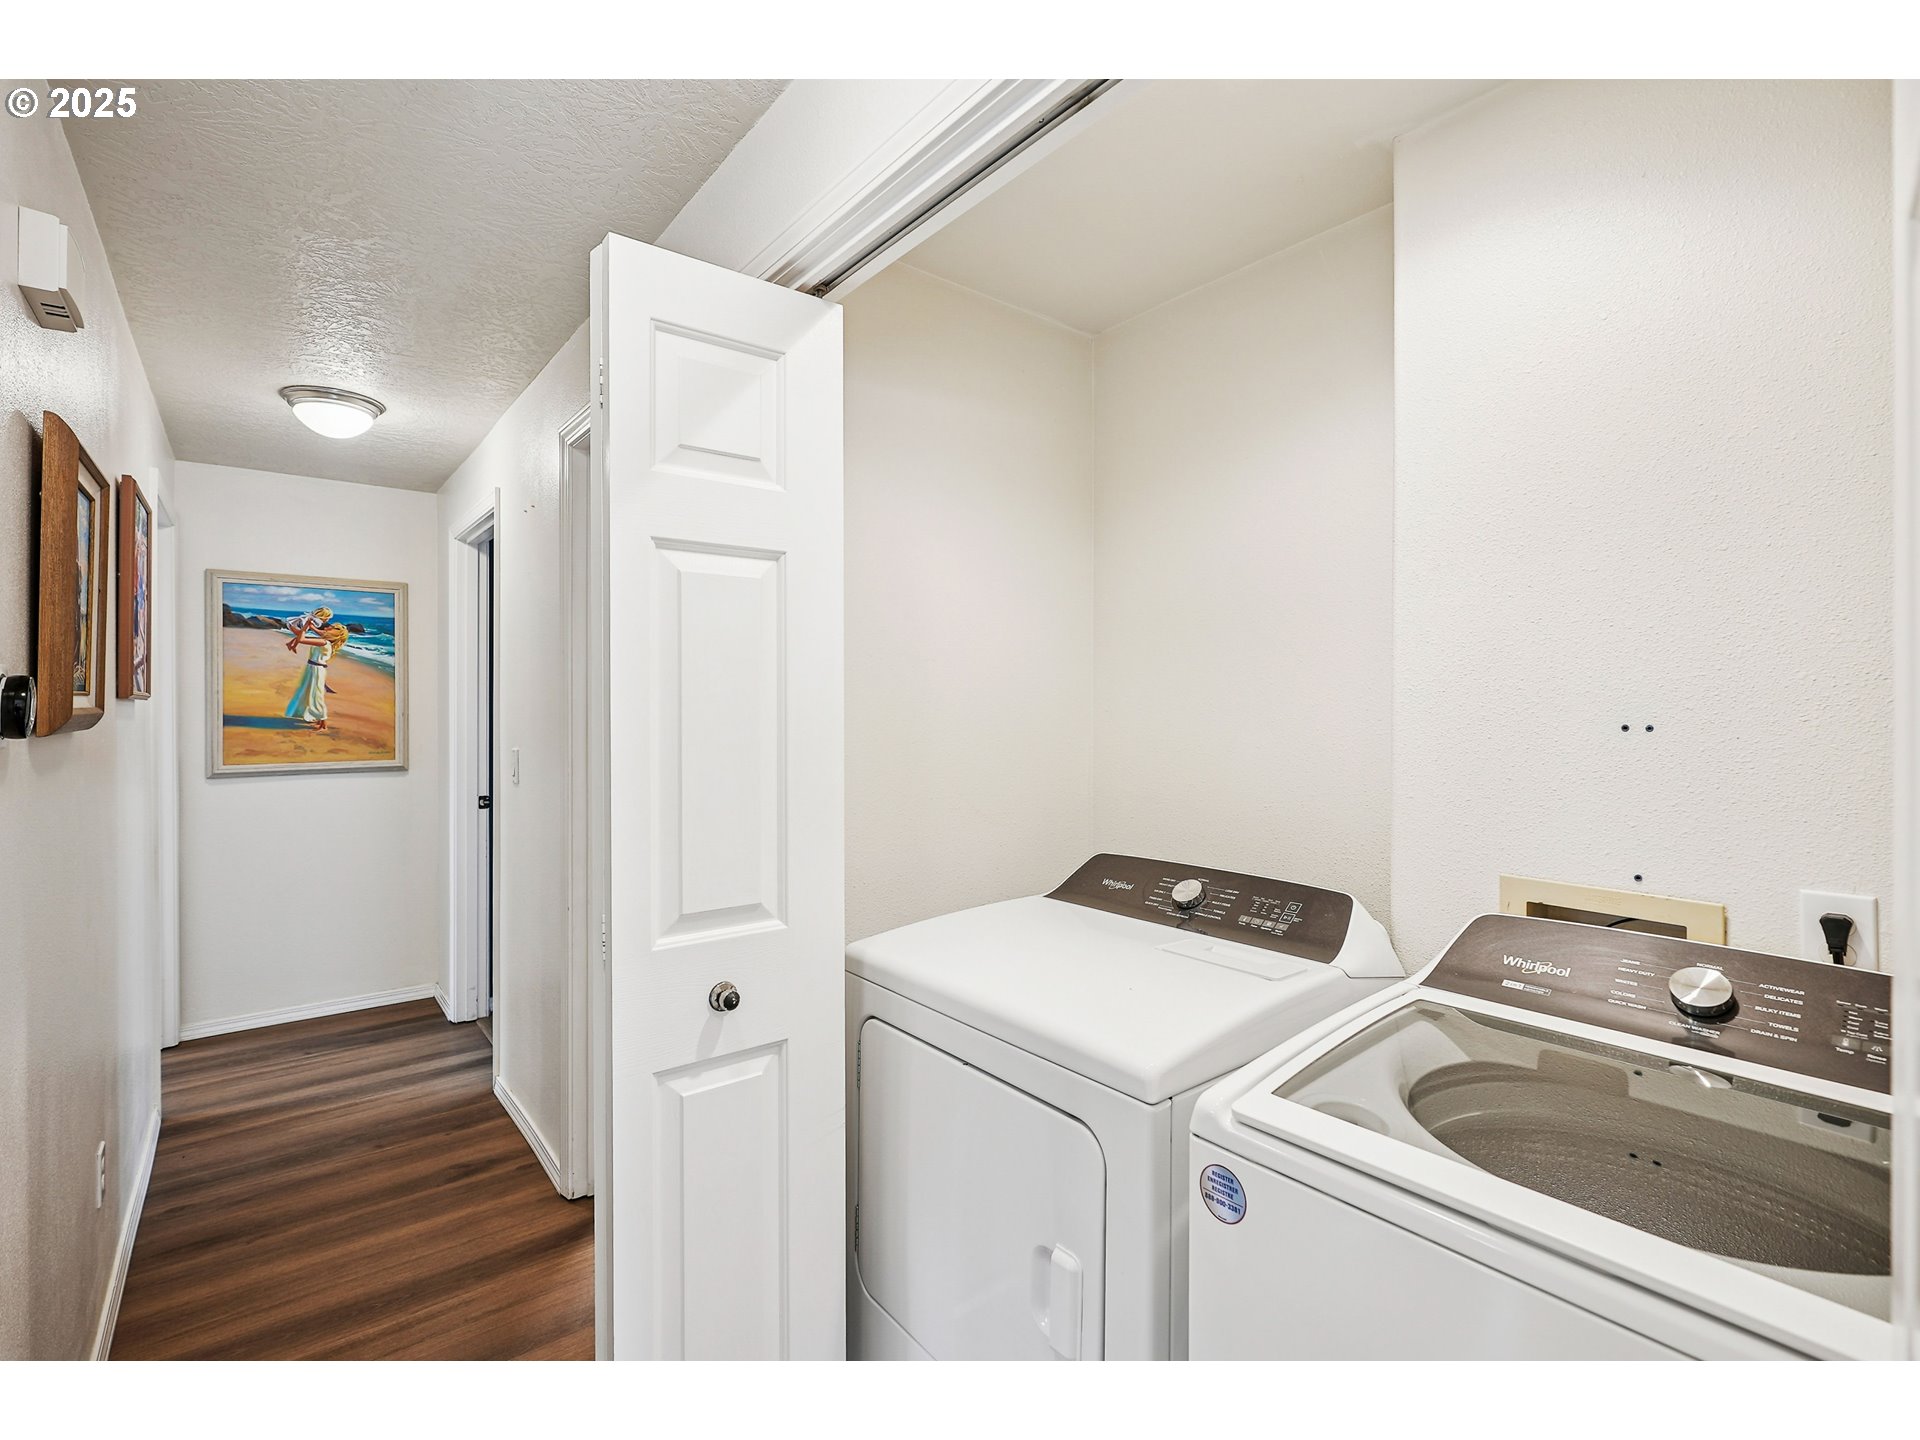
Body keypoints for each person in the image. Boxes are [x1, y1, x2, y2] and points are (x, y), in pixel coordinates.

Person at [285, 623, 350, 731]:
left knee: (316, 695)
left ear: (333, 632)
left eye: (330, 627)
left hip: (316, 670)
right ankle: (319, 719)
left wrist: (306, 625)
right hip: (313, 669)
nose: (326, 627)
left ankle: (323, 722)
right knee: (310, 692)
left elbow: (301, 639)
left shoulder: (323, 642)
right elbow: (302, 634)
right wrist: (306, 625)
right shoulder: (324, 641)